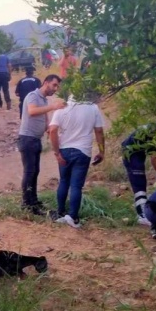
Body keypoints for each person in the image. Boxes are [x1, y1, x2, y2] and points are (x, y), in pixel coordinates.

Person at [49, 95, 105, 228]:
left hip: (65, 150)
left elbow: (52, 130)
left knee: (63, 181)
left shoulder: (62, 107)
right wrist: (102, 151)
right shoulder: (93, 107)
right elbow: (99, 131)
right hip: (83, 151)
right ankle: (72, 216)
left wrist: (57, 153)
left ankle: (61, 212)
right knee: (76, 186)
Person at [19, 74, 66, 215]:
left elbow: (44, 119)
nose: (55, 89)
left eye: (57, 86)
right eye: (54, 85)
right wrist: (53, 106)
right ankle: (27, 204)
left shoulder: (44, 100)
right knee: (29, 172)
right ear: (46, 83)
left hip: (35, 139)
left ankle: (33, 201)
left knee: (35, 172)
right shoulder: (33, 95)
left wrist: (49, 128)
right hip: (27, 139)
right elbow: (32, 111)